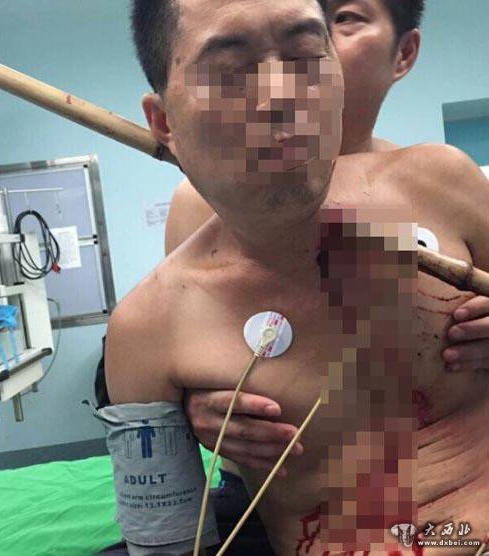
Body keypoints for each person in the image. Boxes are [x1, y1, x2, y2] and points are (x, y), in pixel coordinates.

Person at [96, 0, 489, 553]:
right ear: (164, 123)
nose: (281, 95)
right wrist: (188, 420)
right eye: (230, 71)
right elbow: (165, 540)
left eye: (306, 56)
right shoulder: (147, 330)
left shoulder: (443, 183)